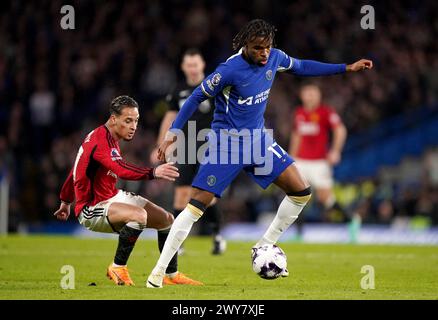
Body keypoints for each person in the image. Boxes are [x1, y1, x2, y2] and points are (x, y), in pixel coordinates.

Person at [147, 19, 373, 288]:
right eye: (257, 48)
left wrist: (345, 68)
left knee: (301, 192)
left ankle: (264, 245)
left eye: (267, 47)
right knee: (195, 206)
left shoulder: (275, 57)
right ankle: (158, 273)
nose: (264, 53)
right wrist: (173, 133)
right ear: (246, 46)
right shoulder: (229, 70)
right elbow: (196, 96)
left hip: (257, 142)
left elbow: (302, 67)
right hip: (226, 145)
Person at [53, 95, 202, 286]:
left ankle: (170, 274)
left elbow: (76, 169)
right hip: (91, 207)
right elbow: (121, 169)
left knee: (167, 220)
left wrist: (65, 201)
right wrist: (153, 172)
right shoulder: (101, 141)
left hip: (112, 196)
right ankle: (117, 267)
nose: (133, 126)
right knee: (139, 216)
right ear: (114, 119)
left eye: (136, 121)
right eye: (128, 121)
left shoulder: (106, 136)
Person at [151, 49, 226, 255]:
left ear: (202, 65)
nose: (192, 69)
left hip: (210, 147)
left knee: (208, 194)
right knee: (181, 194)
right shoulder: (178, 90)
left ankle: (217, 236)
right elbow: (170, 118)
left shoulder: (214, 87)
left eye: (196, 64)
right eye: (189, 65)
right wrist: (161, 144)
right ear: (184, 67)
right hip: (184, 148)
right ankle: (178, 242)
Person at [289, 83, 361, 242]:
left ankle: (351, 220)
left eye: (313, 93)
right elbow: (296, 135)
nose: (310, 96)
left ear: (319, 96)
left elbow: (340, 130)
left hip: (319, 163)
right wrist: (291, 157)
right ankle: (299, 234)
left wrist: (335, 150)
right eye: (307, 93)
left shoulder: (325, 112)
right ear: (301, 95)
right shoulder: (299, 113)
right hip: (300, 161)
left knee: (326, 199)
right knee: (296, 196)